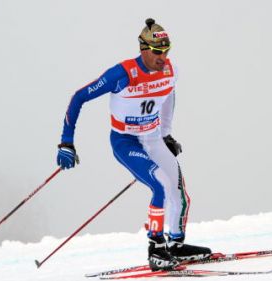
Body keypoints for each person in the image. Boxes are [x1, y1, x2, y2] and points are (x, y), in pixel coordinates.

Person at [56, 18, 211, 271]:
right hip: (125, 141)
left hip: (153, 138)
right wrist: (66, 142)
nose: (163, 58)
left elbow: (169, 96)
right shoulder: (122, 74)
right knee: (160, 185)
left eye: (167, 51)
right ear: (143, 49)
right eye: (158, 52)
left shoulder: (170, 70)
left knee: (179, 193)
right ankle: (156, 249)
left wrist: (167, 134)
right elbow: (79, 97)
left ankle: (176, 245)